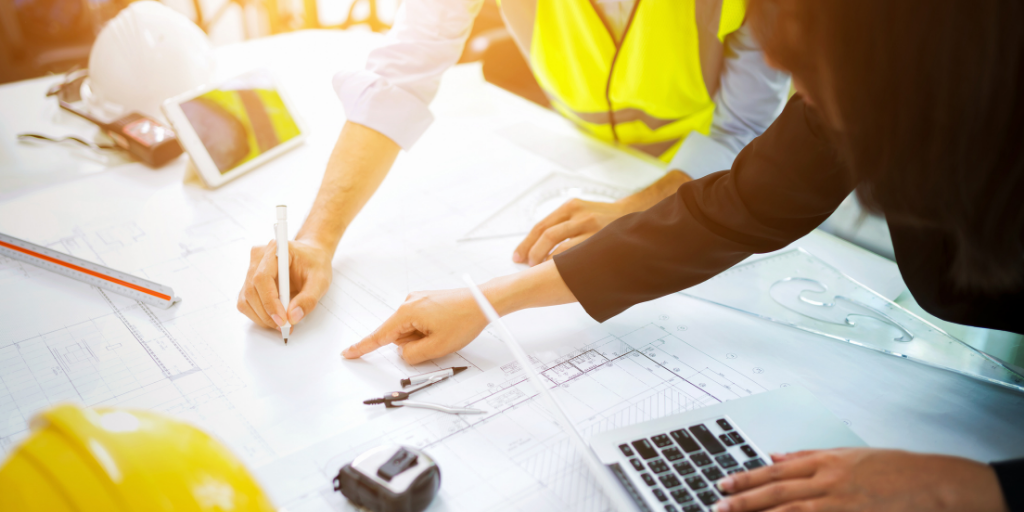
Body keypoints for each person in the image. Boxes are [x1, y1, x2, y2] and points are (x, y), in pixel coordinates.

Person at [341, 0, 1024, 510]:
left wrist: (973, 485)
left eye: (813, 59)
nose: (785, 77)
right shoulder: (861, 84)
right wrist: (492, 301)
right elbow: (740, 206)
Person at [236, 0, 791, 331]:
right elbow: (399, 79)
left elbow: (741, 130)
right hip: (581, 146)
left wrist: (633, 208)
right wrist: (316, 238)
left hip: (704, 169)